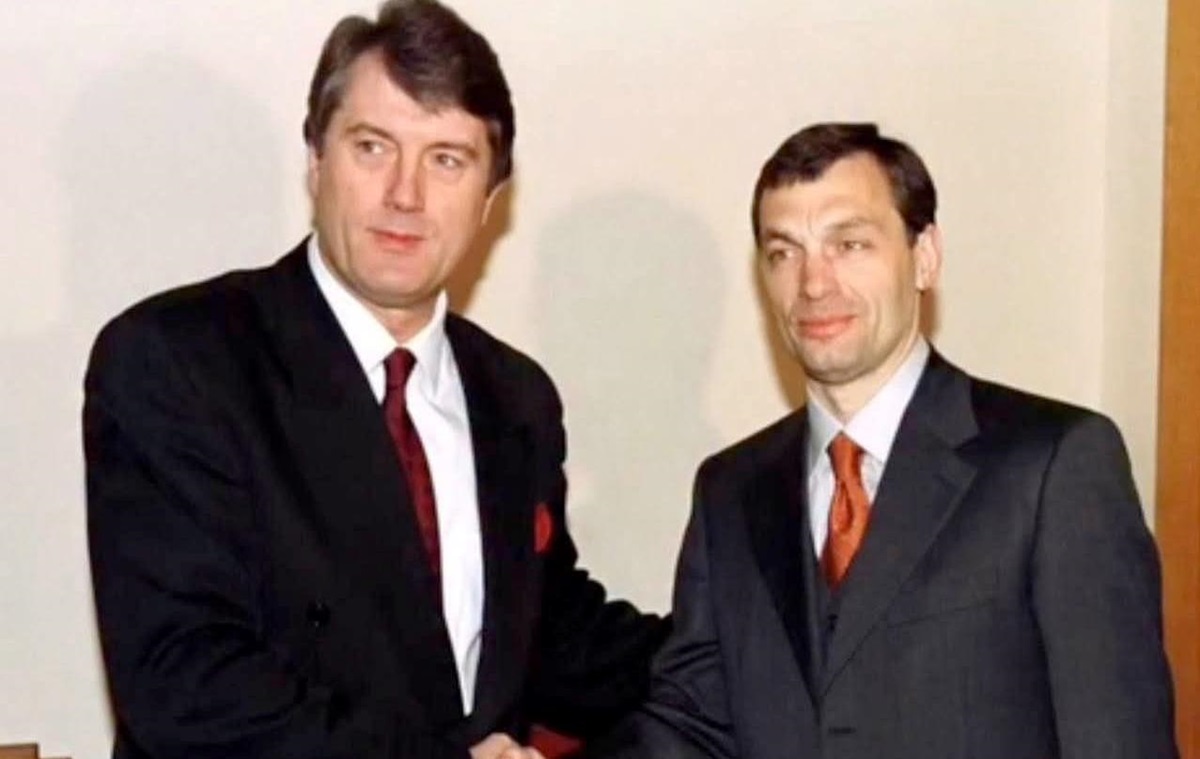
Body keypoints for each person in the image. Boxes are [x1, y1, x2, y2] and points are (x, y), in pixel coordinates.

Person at [83, 2, 667, 758]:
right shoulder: (180, 362)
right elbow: (187, 680)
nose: (405, 194)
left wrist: (765, 651)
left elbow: (553, 638)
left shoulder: (516, 398)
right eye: (372, 147)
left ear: (491, 200)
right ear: (316, 159)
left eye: (447, 160)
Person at [590, 122, 1177, 759]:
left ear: (925, 256)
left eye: (849, 244)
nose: (814, 284)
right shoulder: (730, 491)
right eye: (784, 252)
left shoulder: (1054, 466)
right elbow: (691, 725)